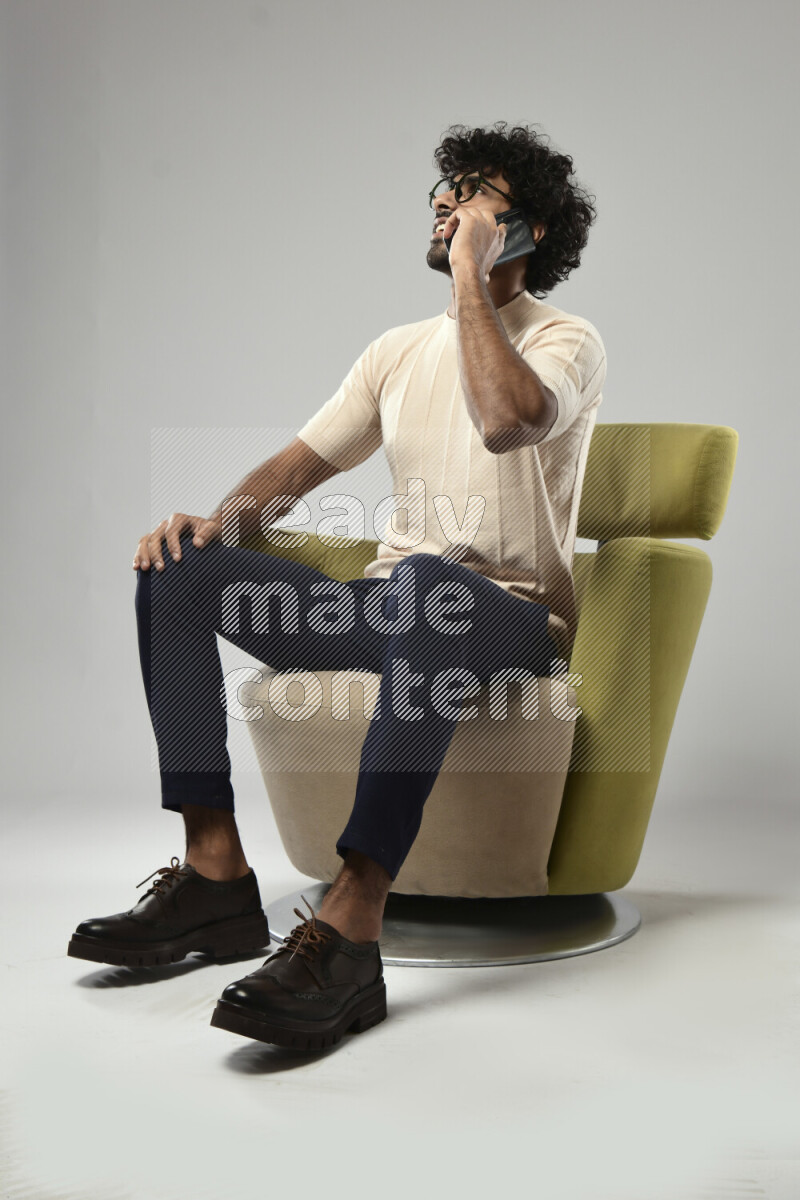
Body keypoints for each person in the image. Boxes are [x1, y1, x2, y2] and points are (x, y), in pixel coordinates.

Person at [67, 121, 607, 1052]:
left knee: (433, 588)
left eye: (473, 194)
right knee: (180, 574)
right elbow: (295, 470)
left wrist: (472, 278)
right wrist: (211, 527)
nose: (445, 204)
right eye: (442, 191)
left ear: (532, 230)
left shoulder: (566, 340)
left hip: (509, 620)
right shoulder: (395, 350)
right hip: (392, 608)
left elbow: (507, 420)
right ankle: (215, 879)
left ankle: (353, 927)